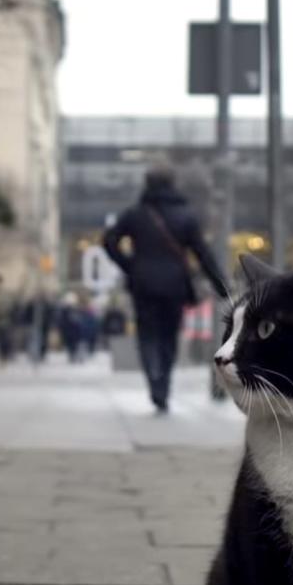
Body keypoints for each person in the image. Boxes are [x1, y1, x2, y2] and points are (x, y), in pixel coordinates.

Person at [103, 159, 228, 413]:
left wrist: (130, 265)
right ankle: (164, 386)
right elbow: (202, 252)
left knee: (147, 334)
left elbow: (109, 241)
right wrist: (220, 284)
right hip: (174, 286)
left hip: (143, 285)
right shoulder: (185, 216)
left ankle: (154, 382)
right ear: (173, 184)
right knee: (168, 337)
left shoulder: (136, 214)